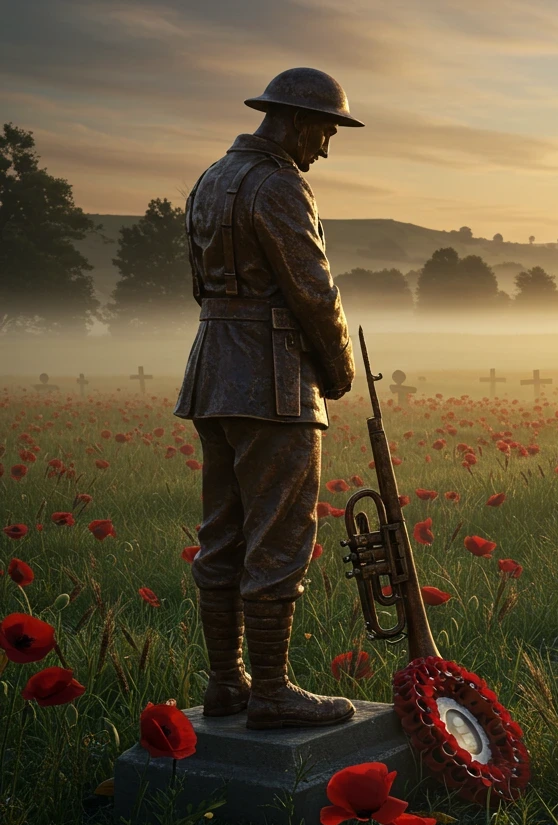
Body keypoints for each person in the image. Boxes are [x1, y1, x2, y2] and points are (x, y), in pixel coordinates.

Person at [175, 68, 362, 729]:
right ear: (295, 122)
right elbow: (314, 289)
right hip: (275, 380)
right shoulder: (280, 184)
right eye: (325, 131)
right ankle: (273, 690)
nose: (326, 147)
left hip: (213, 371)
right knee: (279, 538)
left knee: (221, 534)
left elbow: (200, 285)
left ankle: (226, 682)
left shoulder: (210, 179)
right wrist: (337, 372)